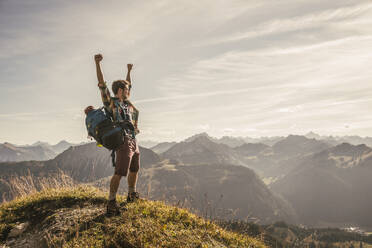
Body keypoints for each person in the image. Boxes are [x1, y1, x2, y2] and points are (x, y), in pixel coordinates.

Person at [94, 53, 140, 216]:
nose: (129, 90)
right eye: (126, 89)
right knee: (120, 172)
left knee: (134, 169)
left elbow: (130, 84)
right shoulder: (111, 102)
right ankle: (111, 202)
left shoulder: (126, 103)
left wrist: (129, 71)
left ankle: (131, 194)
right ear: (120, 91)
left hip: (133, 139)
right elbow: (101, 84)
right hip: (123, 141)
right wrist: (97, 63)